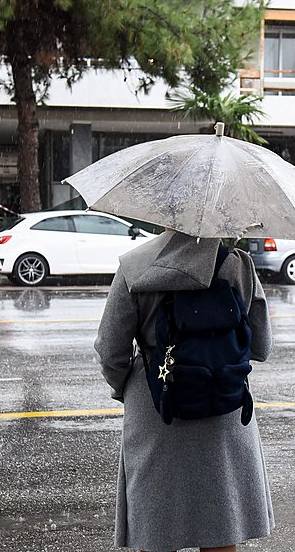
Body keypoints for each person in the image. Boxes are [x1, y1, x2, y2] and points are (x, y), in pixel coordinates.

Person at [95, 230, 274, 552]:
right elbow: (261, 346)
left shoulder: (135, 266)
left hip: (156, 405)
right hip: (223, 400)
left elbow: (111, 351)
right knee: (220, 522)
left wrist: (129, 387)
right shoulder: (237, 264)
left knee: (156, 524)